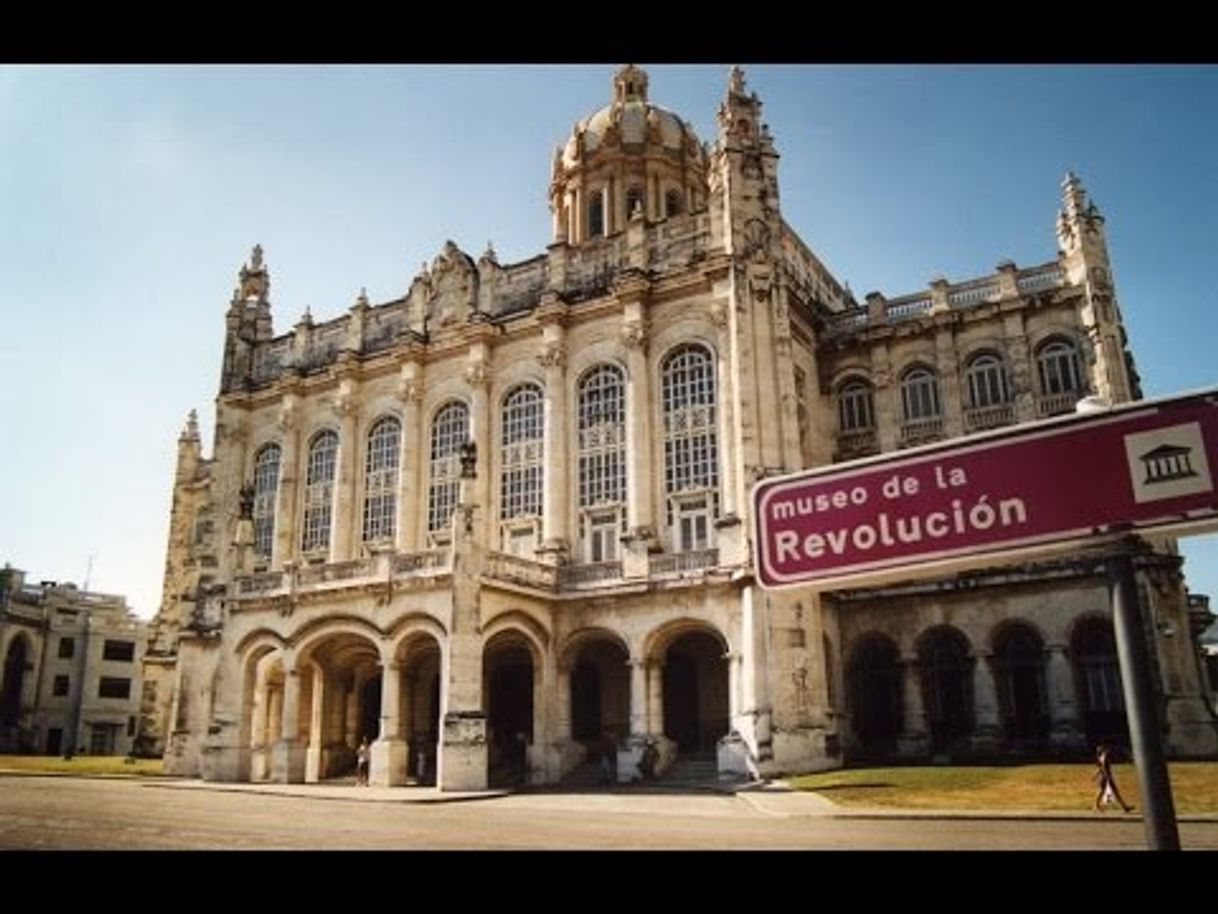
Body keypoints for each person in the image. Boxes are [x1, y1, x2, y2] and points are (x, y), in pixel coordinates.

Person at [1093, 743, 1133, 813]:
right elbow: (1104, 768)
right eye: (1106, 748)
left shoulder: (1101, 757)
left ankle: (1125, 807)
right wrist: (1108, 777)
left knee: (1106, 792)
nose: (1108, 750)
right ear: (1103, 750)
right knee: (1103, 792)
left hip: (1105, 777)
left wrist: (1095, 775)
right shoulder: (1104, 757)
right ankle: (1096, 806)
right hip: (1106, 777)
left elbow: (1100, 768)